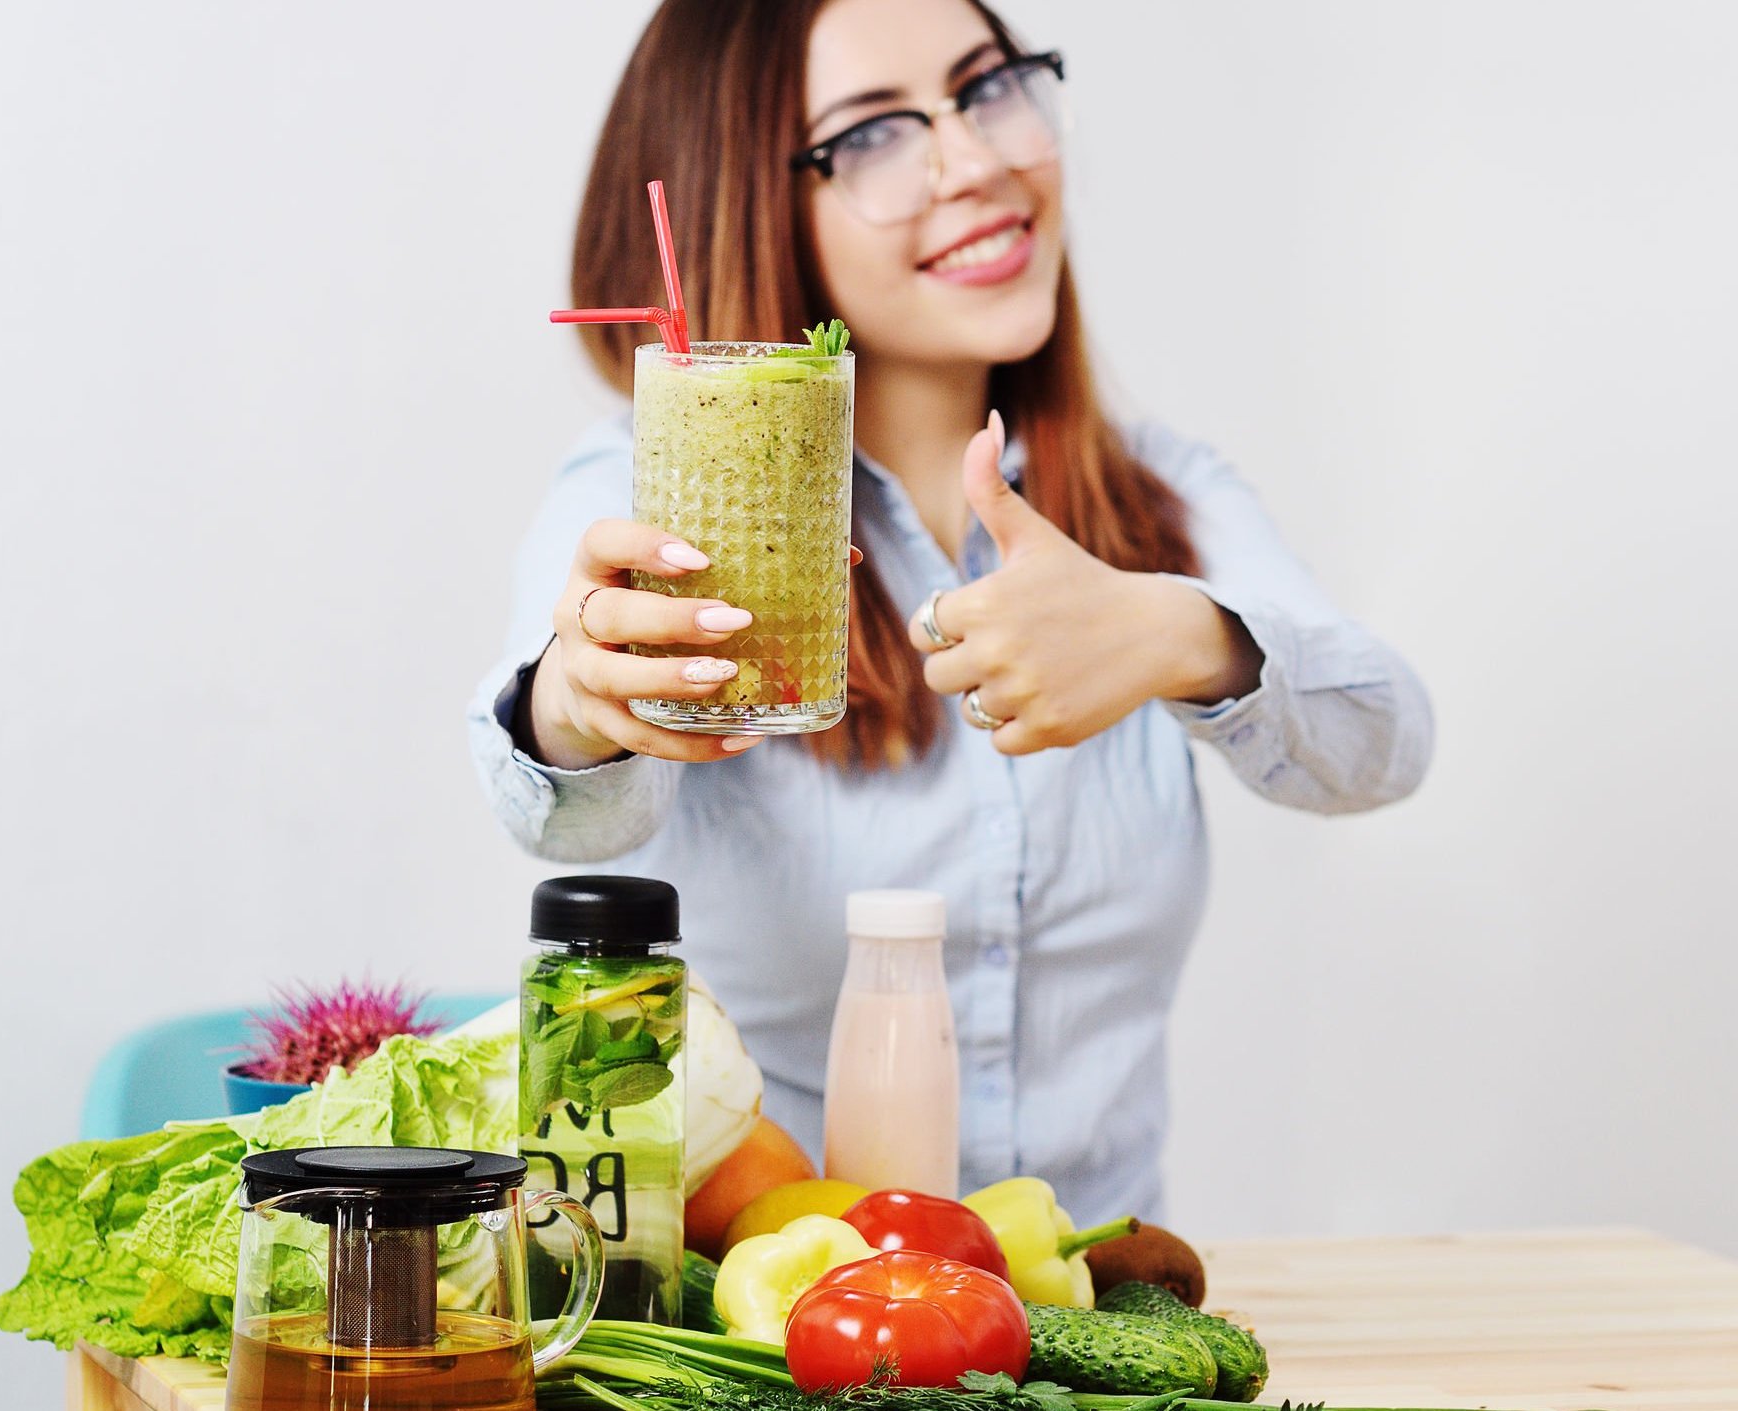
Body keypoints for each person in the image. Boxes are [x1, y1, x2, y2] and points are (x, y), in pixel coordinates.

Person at [469, 0, 1432, 1221]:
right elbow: (549, 802)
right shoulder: (658, 491)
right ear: (748, 201)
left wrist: (1183, 635)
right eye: (870, 134)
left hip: (1077, 1317)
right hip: (760, 1316)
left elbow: (1381, 745)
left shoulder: (1158, 494)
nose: (978, 161)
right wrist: (579, 699)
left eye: (988, 90)